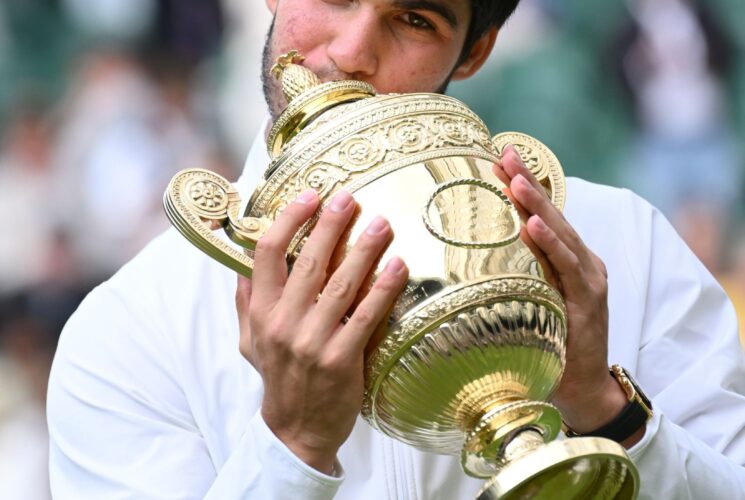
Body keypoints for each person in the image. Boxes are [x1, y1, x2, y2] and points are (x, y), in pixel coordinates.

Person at [47, 0, 745, 498]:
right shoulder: (131, 329)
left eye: (414, 18)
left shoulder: (619, 241)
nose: (351, 51)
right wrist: (291, 448)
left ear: (473, 52)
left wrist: (605, 410)